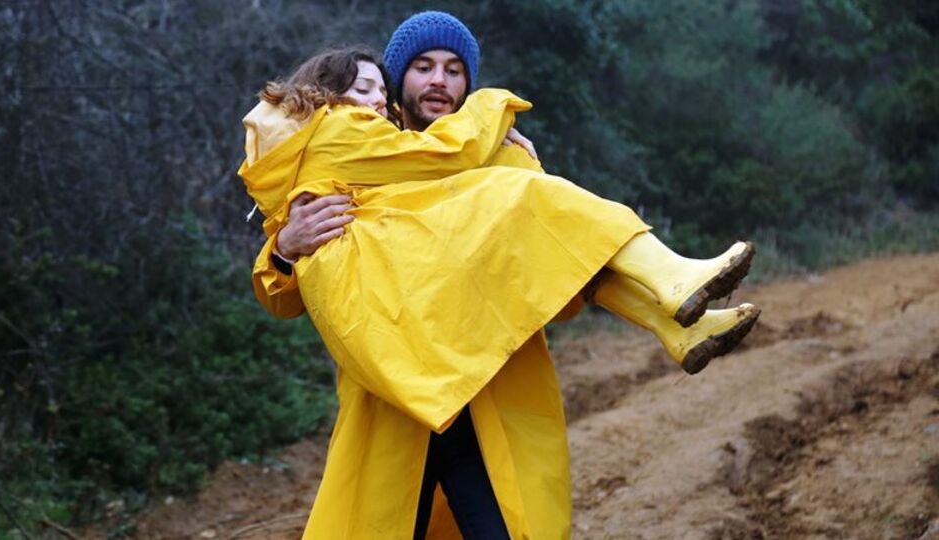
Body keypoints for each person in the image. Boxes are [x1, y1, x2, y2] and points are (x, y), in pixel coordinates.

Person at [243, 12, 759, 539]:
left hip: (496, 392)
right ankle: (675, 307)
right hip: (395, 403)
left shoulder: (502, 155)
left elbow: (565, 266)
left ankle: (677, 311)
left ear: (469, 83)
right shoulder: (355, 149)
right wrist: (284, 249)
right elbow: (283, 297)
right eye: (423, 67)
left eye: (453, 69)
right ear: (399, 82)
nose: (439, 80)